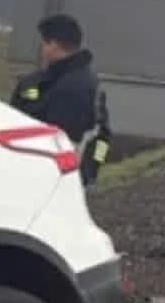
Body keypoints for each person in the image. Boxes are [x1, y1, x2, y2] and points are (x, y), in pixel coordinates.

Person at [11, 13, 111, 187]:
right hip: (67, 180)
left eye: (45, 42)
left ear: (54, 45)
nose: (42, 48)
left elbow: (23, 128)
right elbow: (104, 138)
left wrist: (89, 172)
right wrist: (92, 172)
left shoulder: (71, 88)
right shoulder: (91, 85)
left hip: (46, 180)